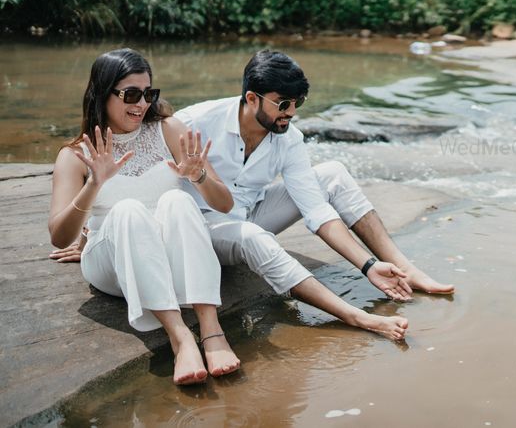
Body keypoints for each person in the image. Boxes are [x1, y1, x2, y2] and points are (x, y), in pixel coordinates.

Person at [174, 50, 453, 330]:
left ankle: (404, 268)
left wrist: (368, 266)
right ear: (251, 98)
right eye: (283, 104)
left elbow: (316, 211)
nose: (291, 113)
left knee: (333, 174)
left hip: (250, 213)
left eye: (298, 102)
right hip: (204, 229)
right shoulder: (195, 122)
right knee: (253, 236)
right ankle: (355, 316)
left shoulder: (289, 137)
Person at [48, 49, 241, 385]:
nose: (142, 105)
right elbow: (59, 237)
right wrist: (94, 183)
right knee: (128, 210)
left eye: (149, 94)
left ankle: (211, 331)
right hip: (110, 261)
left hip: (166, 252)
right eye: (131, 95)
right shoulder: (75, 155)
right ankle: (180, 338)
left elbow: (225, 204)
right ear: (101, 93)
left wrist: (198, 177)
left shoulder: (168, 129)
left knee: (178, 202)